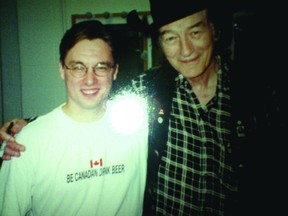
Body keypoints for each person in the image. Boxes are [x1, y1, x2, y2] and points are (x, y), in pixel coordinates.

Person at [1, 0, 286, 215]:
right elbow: (91, 105)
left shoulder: (261, 96)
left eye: (195, 32)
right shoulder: (148, 91)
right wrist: (26, 127)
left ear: (214, 30)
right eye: (171, 37)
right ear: (161, 42)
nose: (185, 50)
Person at [0, 20, 148, 216]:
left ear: (115, 71)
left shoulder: (138, 123)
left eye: (101, 67)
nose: (89, 79)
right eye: (78, 67)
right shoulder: (26, 143)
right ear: (62, 69)